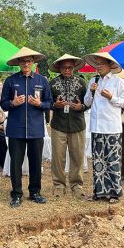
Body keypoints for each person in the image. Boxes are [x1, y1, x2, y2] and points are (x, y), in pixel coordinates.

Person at [0, 47, 53, 208]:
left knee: (36, 161)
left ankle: (35, 192)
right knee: (16, 162)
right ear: (18, 63)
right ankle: (16, 194)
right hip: (16, 128)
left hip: (36, 128)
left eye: (29, 61)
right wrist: (12, 103)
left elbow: (50, 103)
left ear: (33, 62)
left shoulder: (42, 81)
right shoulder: (10, 81)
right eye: (22, 61)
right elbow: (3, 104)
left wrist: (40, 104)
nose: (26, 63)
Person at [83, 52, 124, 203]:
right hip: (96, 127)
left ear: (110, 65)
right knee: (98, 161)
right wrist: (91, 91)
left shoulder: (118, 82)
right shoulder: (93, 81)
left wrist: (111, 97)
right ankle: (99, 192)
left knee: (112, 160)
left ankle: (114, 193)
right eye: (96, 64)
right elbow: (87, 102)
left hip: (112, 127)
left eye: (101, 63)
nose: (98, 66)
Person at [48, 54, 89, 198]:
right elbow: (47, 102)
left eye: (70, 67)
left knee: (77, 156)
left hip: (78, 125)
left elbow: (88, 102)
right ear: (59, 68)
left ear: (74, 68)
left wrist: (81, 107)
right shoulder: (52, 83)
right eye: (64, 67)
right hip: (58, 125)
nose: (67, 70)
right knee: (58, 157)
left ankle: (76, 185)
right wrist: (55, 105)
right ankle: (58, 185)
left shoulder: (82, 82)